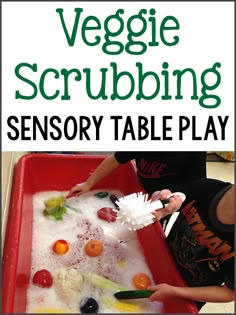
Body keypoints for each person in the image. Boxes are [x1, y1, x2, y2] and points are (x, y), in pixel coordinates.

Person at [147, 178, 234, 310]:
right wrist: (161, 208)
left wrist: (175, 292)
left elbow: (230, 292)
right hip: (161, 260)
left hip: (188, 294)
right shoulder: (207, 188)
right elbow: (170, 200)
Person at [69, 151, 207, 230]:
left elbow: (197, 186)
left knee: (157, 225)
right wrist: (88, 184)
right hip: (139, 194)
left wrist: (169, 204)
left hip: (168, 199)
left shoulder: (192, 151)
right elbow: (115, 160)